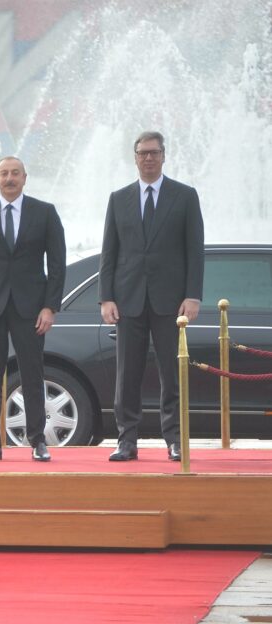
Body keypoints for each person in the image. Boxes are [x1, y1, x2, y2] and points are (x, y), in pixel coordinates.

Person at [100, 131, 205, 462]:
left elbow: (194, 251)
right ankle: (126, 440)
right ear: (135, 157)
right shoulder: (119, 198)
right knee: (126, 375)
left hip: (170, 302)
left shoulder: (185, 196)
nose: (148, 158)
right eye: (142, 153)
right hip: (128, 301)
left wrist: (193, 295)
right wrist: (106, 298)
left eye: (154, 152)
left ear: (164, 156)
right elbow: (109, 254)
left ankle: (174, 439)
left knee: (171, 374)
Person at [0, 156, 66, 462]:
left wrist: (50, 307)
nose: (10, 178)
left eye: (15, 173)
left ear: (25, 178)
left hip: (31, 309)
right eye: (4, 173)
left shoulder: (44, 213)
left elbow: (57, 265)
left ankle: (37, 440)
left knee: (32, 375)